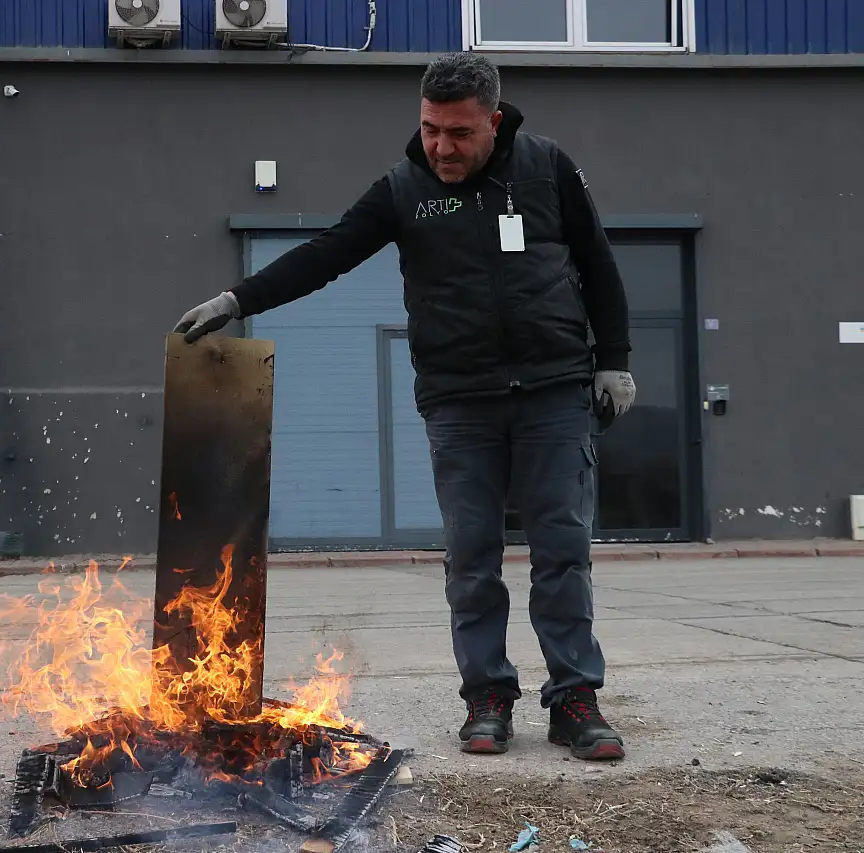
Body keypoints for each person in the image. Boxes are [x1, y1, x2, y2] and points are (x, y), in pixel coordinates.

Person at [173, 52, 635, 762]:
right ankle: (487, 696)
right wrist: (238, 300)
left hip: (554, 391)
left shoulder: (547, 169)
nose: (441, 147)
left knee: (562, 553)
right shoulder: (404, 188)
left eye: (459, 133)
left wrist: (615, 360)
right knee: (472, 557)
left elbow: (598, 263)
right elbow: (327, 254)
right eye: (430, 130)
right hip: (459, 399)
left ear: (495, 121)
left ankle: (575, 700)